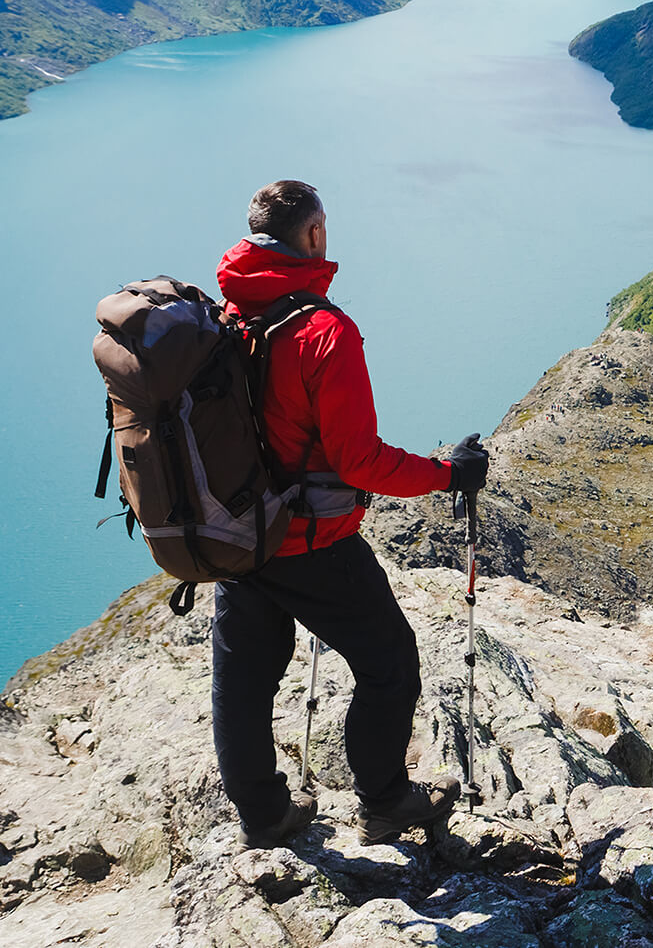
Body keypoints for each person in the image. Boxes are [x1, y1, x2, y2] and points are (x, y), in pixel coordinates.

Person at [210, 179, 490, 848]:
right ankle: (385, 800)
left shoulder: (226, 315)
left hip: (234, 532)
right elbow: (359, 460)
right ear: (313, 234)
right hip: (309, 541)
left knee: (243, 680)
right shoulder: (323, 332)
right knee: (390, 661)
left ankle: (263, 815)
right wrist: (448, 473)